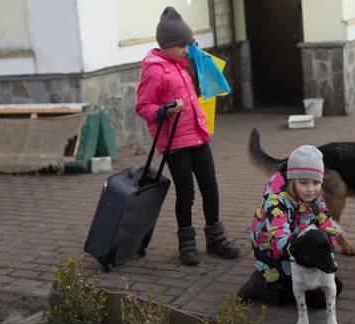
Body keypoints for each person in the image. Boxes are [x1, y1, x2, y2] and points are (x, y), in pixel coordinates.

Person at [135, 6, 239, 265]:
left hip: (199, 137)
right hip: (175, 143)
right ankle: (187, 242)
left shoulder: (183, 64)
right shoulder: (155, 70)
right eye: (181, 44)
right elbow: (142, 107)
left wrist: (191, 51)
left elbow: (200, 69)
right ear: (167, 45)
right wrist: (163, 111)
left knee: (210, 188)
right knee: (186, 193)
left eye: (187, 43)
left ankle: (215, 238)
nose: (186, 48)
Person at [238, 145, 342, 306]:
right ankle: (264, 285)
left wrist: (328, 247)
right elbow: (279, 241)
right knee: (320, 298)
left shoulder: (316, 197)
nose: (310, 189)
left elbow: (326, 222)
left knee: (335, 286)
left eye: (316, 183)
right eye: (304, 183)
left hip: (302, 252)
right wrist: (304, 243)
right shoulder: (276, 201)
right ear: (292, 181)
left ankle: (281, 284)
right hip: (276, 258)